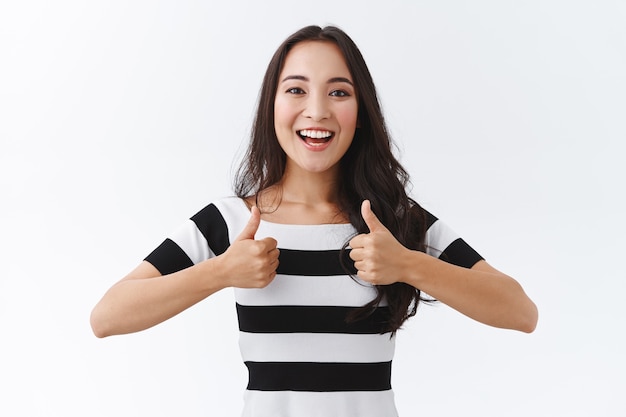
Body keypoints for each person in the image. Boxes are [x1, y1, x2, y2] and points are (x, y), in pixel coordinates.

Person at [91, 25, 538, 417]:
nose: (318, 110)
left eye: (339, 92)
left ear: (360, 114)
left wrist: (408, 265)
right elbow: (108, 316)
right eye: (296, 89)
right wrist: (220, 271)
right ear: (273, 105)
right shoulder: (230, 220)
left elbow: (520, 311)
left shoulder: (396, 223)